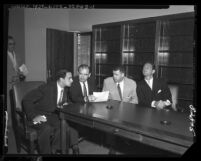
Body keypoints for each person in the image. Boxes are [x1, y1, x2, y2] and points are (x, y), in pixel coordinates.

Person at [22, 69, 79, 154]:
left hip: (52, 116)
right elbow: (26, 100)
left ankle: (54, 149)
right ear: (61, 79)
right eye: (69, 78)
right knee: (46, 129)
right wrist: (33, 116)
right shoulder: (46, 88)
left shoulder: (66, 89)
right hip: (39, 115)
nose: (72, 80)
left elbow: (62, 102)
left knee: (64, 126)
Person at [7, 36, 26, 127]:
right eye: (10, 44)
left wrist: (23, 74)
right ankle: (9, 128)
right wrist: (11, 78)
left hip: (18, 87)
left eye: (13, 44)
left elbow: (24, 71)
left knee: (18, 107)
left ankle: (18, 127)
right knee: (9, 108)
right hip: (8, 87)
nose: (12, 46)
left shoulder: (18, 56)